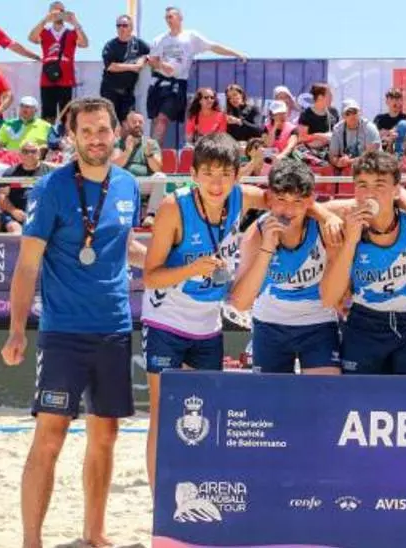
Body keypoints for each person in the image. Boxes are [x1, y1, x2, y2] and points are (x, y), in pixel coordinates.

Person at [1, 97, 147, 548]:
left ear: (116, 132)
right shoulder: (50, 188)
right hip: (63, 331)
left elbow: (125, 246)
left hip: (114, 328)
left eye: (103, 130)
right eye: (86, 131)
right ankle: (31, 540)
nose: (96, 139)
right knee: (51, 436)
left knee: (105, 436)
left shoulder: (128, 185)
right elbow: (28, 264)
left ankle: (94, 534)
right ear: (72, 136)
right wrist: (17, 330)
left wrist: (172, 264)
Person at [140, 132, 277, 486]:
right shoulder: (174, 207)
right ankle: (159, 505)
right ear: (194, 174)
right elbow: (151, 277)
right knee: (163, 415)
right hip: (166, 322)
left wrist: (326, 213)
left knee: (204, 416)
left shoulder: (240, 196)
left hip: (207, 326)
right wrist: (191, 269)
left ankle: (194, 493)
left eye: (225, 174)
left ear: (236, 175)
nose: (217, 184)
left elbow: (287, 199)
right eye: (209, 174)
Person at [229, 158, 341, 375]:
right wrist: (267, 249)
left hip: (318, 323)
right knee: (270, 396)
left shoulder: (324, 224)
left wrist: (327, 216)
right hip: (270, 324)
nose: (288, 210)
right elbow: (241, 303)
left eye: (297, 201)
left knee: (325, 391)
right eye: (281, 199)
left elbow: (374, 199)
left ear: (311, 200)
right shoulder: (256, 234)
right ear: (269, 198)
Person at [325, 151, 406, 375]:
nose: (370, 193)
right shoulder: (343, 222)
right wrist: (350, 241)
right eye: (362, 185)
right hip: (364, 323)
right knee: (358, 395)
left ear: (396, 191)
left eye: (380, 185)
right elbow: (329, 298)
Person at [146, 6, 247, 144]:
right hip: (158, 83)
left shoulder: (190, 37)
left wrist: (236, 53)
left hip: (176, 83)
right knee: (156, 120)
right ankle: (153, 152)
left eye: (171, 17)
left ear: (180, 18)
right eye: (166, 18)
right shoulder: (159, 39)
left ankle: (153, 151)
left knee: (163, 118)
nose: (168, 20)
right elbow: (152, 60)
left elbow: (213, 47)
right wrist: (162, 66)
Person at [28, 2, 89, 123]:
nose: (58, 14)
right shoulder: (45, 32)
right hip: (47, 80)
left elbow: (84, 43)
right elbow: (31, 38)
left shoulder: (71, 33)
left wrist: (75, 22)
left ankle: (65, 135)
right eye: (55, 11)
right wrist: (45, 20)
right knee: (47, 117)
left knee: (67, 116)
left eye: (61, 11)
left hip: (66, 80)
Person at [99, 14, 149, 118]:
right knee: (111, 122)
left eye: (125, 25)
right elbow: (110, 66)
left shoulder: (139, 44)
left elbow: (151, 54)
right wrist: (134, 67)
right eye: (118, 25)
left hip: (128, 93)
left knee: (128, 122)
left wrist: (143, 59)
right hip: (110, 92)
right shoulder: (111, 45)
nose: (121, 28)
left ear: (131, 27)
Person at [0, 142, 50, 234]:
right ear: (20, 154)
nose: (29, 154)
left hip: (43, 214)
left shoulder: (50, 171)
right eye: (25, 151)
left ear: (39, 154)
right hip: (16, 214)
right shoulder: (10, 172)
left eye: (33, 151)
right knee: (16, 231)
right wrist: (13, 211)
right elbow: (2, 195)